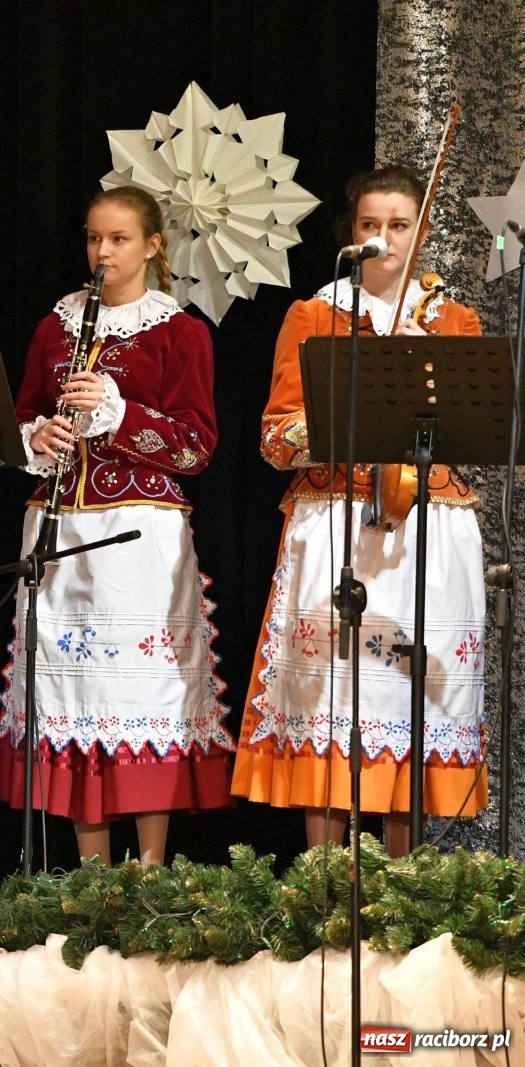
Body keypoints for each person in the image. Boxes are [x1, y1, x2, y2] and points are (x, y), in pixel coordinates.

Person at [231, 165, 486, 855]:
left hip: (424, 525)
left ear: (422, 232)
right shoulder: (315, 316)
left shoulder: (454, 321)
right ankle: (324, 879)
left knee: (404, 697)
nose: (384, 237)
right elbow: (276, 435)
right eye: (371, 225)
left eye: (399, 225)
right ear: (354, 235)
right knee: (336, 696)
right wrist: (342, 425)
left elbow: (473, 429)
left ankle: (404, 885)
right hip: (336, 518)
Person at [0, 186, 231, 866]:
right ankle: (90, 869)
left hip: (139, 537)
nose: (102, 252)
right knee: (71, 692)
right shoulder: (56, 326)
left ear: (153, 245)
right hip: (59, 530)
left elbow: (196, 446)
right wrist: (40, 436)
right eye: (95, 238)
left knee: (140, 697)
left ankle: (149, 867)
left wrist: (121, 415)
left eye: (119, 240)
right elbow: (21, 415)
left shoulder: (181, 331)